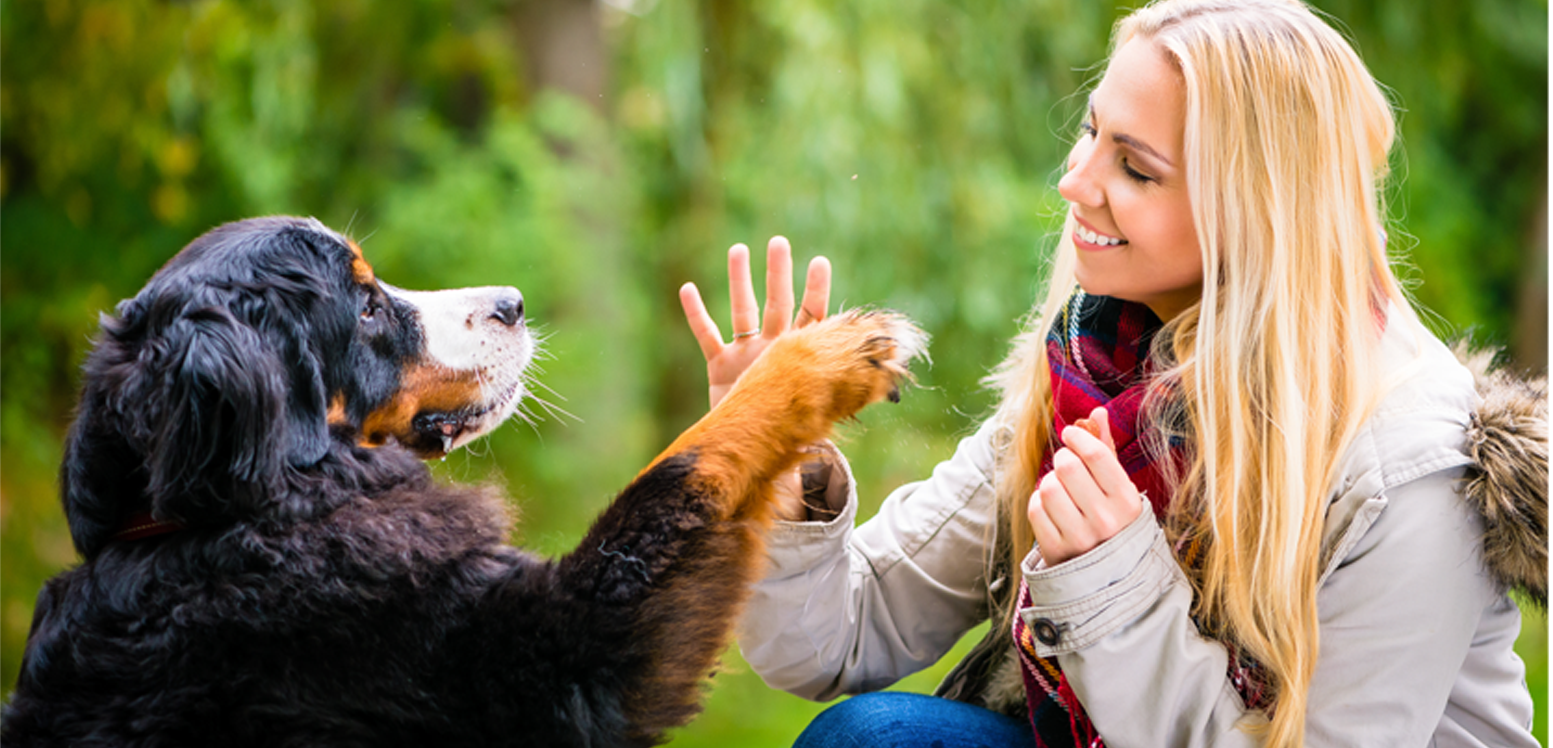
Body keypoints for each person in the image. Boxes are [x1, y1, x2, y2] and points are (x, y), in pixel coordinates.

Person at [677, 0, 1547, 745]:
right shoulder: (1105, 367)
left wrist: (1111, 580)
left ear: (1256, 213)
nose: (1073, 180)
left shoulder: (1410, 468)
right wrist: (775, 455)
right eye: (1091, 131)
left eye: (1135, 167)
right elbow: (836, 638)